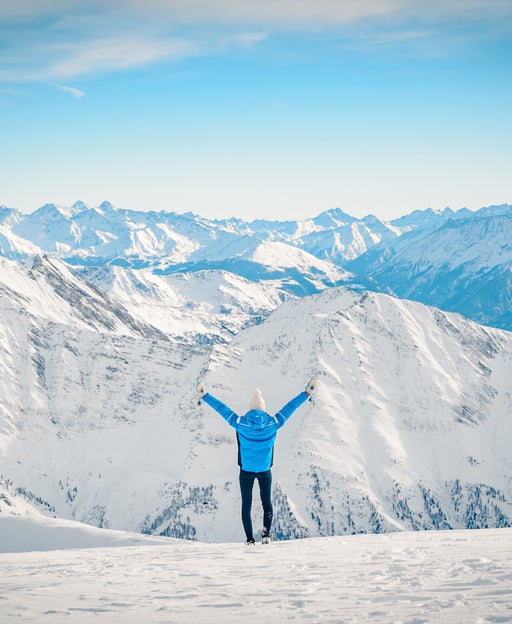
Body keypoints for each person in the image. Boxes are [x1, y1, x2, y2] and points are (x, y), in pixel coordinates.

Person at [196, 379, 317, 544]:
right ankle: (266, 536)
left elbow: (221, 408)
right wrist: (307, 393)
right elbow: (291, 407)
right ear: (263, 409)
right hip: (265, 470)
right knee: (267, 503)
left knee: (246, 505)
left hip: (246, 471)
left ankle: (250, 539)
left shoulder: (240, 422)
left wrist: (205, 395)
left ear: (250, 409)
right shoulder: (273, 423)